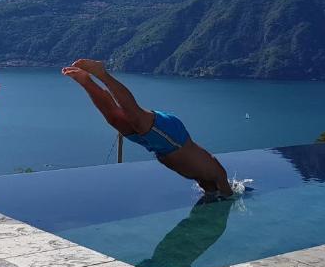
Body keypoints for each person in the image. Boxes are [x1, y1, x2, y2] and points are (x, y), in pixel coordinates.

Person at [62, 58, 233, 196]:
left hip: (157, 145)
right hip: (174, 139)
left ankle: (86, 81)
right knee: (134, 115)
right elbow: (228, 196)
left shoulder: (203, 180)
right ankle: (102, 73)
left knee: (114, 118)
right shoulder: (219, 176)